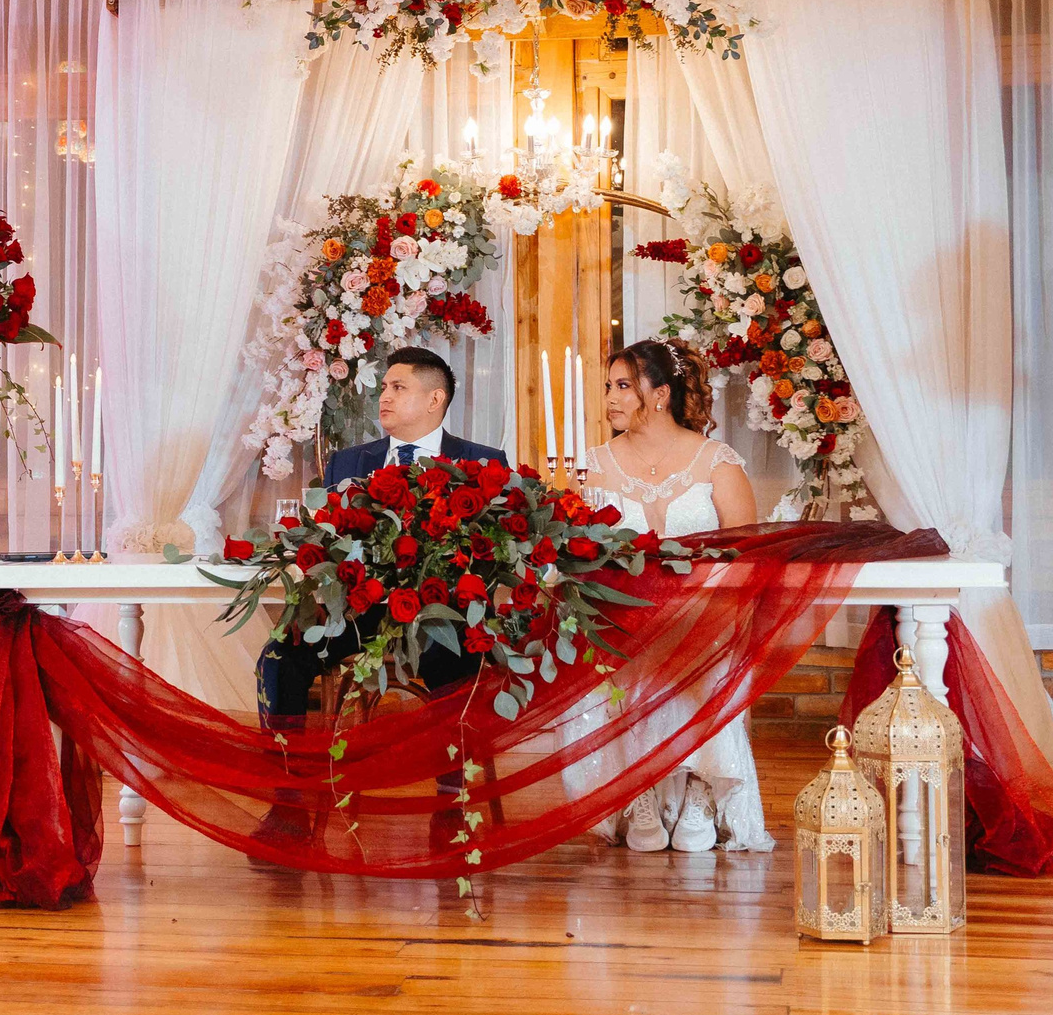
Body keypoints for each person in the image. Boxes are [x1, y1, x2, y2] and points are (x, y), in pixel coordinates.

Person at [558, 338, 772, 853]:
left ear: (660, 394)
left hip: (706, 614)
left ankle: (701, 788)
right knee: (611, 639)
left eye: (624, 386)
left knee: (704, 641)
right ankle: (639, 786)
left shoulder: (717, 461)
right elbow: (574, 552)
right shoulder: (592, 465)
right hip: (624, 618)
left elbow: (747, 556)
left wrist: (704, 608)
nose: (610, 397)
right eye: (608, 386)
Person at [257, 347, 508, 730]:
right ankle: (291, 780)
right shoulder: (348, 462)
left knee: (456, 660)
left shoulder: (484, 462)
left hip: (446, 614)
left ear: (435, 399)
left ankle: (455, 783)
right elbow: (328, 538)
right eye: (384, 387)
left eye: (398, 387)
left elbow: (495, 550)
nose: (384, 396)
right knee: (280, 655)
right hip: (362, 611)